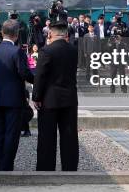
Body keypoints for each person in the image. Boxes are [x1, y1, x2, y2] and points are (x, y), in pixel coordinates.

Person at [32, 20, 79, 172]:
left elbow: (40, 76)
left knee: (47, 138)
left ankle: (46, 169)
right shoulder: (73, 50)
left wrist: (36, 97)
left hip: (49, 100)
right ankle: (70, 168)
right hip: (70, 99)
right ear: (66, 34)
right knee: (69, 137)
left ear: (50, 33)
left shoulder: (46, 51)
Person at [0, 19, 34, 171]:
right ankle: (6, 167)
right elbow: (24, 73)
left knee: (0, 133)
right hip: (14, 100)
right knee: (11, 134)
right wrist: (38, 78)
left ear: (2, 33)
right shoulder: (17, 51)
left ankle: (0, 164)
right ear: (16, 35)